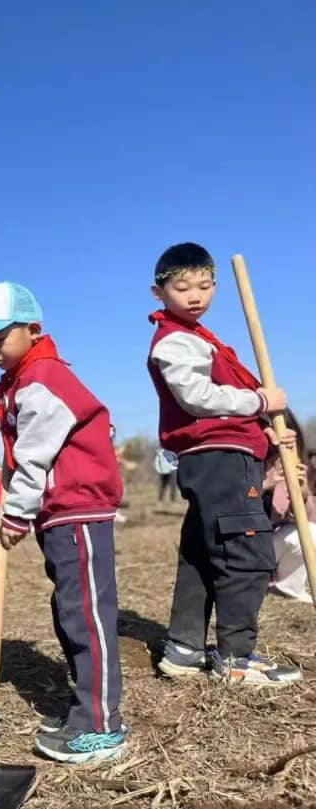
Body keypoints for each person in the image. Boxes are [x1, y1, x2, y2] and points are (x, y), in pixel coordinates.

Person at [0, 281, 128, 764]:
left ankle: (102, 725)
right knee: (69, 610)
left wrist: (13, 514)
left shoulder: (42, 381)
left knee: (86, 615)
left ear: (32, 330)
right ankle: (86, 706)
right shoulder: (24, 380)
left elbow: (33, 460)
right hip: (60, 513)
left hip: (78, 509)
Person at [148, 242, 301, 687]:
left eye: (204, 285)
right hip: (217, 460)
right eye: (182, 287)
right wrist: (259, 400)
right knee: (245, 551)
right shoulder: (175, 341)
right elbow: (196, 398)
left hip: (222, 456)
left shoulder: (200, 339)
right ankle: (236, 657)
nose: (195, 295)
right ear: (159, 293)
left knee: (202, 552)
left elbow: (221, 410)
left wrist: (266, 432)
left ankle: (184, 647)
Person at [263, 410, 314, 603]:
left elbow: (308, 522)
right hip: (252, 545)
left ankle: (288, 586)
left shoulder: (302, 470)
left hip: (276, 543)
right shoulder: (255, 464)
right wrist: (264, 483)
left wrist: (300, 494)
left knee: (310, 532)